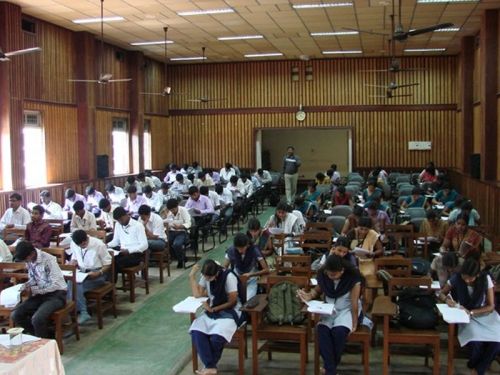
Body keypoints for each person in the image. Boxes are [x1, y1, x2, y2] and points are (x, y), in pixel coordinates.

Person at [297, 254, 361, 375]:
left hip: (346, 310)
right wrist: (308, 296)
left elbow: (354, 303)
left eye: (334, 275)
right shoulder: (324, 275)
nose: (331, 277)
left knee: (339, 332)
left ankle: (328, 369)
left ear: (342, 271)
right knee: (322, 331)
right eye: (329, 274)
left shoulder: (353, 278)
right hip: (328, 309)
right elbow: (317, 291)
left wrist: (355, 323)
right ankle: (331, 370)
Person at [438, 258, 500, 375]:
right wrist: (447, 300)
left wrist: (472, 312)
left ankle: (476, 370)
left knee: (497, 341)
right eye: (464, 277)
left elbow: (491, 306)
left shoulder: (485, 279)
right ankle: (477, 368)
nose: (466, 280)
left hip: (484, 314)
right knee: (475, 339)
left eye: (470, 278)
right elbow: (441, 293)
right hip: (466, 317)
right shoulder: (456, 278)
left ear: (477, 275)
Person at [189, 260, 244, 375]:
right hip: (212, 311)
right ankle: (211, 366)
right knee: (196, 331)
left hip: (230, 311)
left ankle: (209, 365)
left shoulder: (228, 276)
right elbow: (197, 294)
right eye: (205, 277)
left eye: (209, 278)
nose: (207, 279)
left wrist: (215, 309)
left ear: (217, 273)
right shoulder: (206, 275)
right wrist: (192, 276)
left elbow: (233, 301)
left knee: (216, 337)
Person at [11, 241, 67, 338]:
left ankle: (42, 342)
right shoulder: (29, 261)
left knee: (37, 319)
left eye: (26, 259)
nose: (26, 262)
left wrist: (34, 290)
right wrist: (25, 285)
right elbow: (33, 278)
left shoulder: (49, 260)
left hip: (56, 295)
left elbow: (56, 285)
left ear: (32, 254)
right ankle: (44, 336)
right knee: (16, 314)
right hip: (40, 294)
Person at [69, 230, 111, 324]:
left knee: (76, 286)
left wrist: (99, 272)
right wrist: (73, 263)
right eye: (79, 245)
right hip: (82, 272)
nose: (82, 247)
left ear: (86, 239)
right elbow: (74, 258)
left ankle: (81, 312)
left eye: (83, 245)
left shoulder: (98, 244)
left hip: (97, 274)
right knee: (70, 283)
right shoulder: (75, 244)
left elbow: (108, 264)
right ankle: (78, 311)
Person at [223, 233, 269, 299]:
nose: (240, 251)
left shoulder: (254, 250)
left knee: (247, 299)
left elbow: (266, 270)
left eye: (242, 248)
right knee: (233, 298)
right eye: (238, 248)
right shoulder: (231, 250)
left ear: (247, 245)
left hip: (251, 278)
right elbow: (224, 267)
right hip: (236, 278)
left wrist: (251, 274)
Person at [107, 207, 148, 280]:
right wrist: (106, 245)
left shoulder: (138, 225)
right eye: (118, 220)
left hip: (135, 254)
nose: (120, 222)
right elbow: (116, 241)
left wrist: (129, 251)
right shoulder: (118, 224)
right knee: (108, 260)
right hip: (122, 252)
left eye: (121, 219)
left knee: (115, 263)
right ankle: (110, 284)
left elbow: (145, 245)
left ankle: (111, 285)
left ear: (126, 215)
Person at [164, 198, 192, 268]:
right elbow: (168, 221)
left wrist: (180, 226)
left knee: (177, 244)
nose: (172, 211)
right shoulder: (170, 212)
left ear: (177, 206)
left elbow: (189, 223)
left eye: (173, 209)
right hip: (172, 231)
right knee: (166, 242)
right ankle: (181, 257)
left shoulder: (183, 210)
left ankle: (180, 260)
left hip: (183, 232)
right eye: (171, 210)